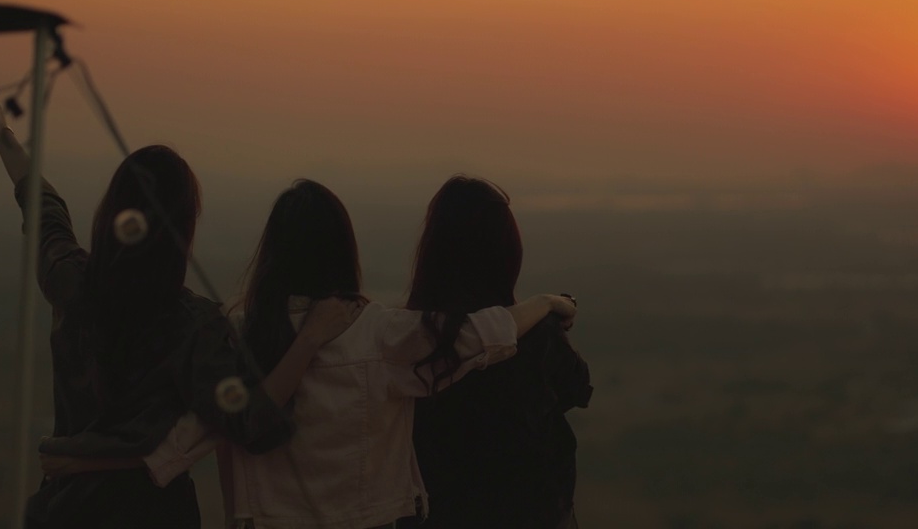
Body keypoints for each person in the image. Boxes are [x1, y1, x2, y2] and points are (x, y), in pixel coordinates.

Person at [40, 179, 578, 529]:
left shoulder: (237, 336)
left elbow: (178, 442)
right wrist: (546, 301)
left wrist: (82, 459)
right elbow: (483, 334)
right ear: (345, 252)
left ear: (272, 254)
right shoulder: (382, 334)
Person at [0, 94, 353, 529]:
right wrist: (309, 340)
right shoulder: (193, 325)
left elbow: (42, 206)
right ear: (183, 227)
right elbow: (253, 425)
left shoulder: (70, 282)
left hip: (67, 509)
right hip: (155, 512)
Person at [408, 176, 592, 529]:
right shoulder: (536, 338)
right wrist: (547, 308)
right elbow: (578, 388)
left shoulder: (407, 337)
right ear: (507, 251)